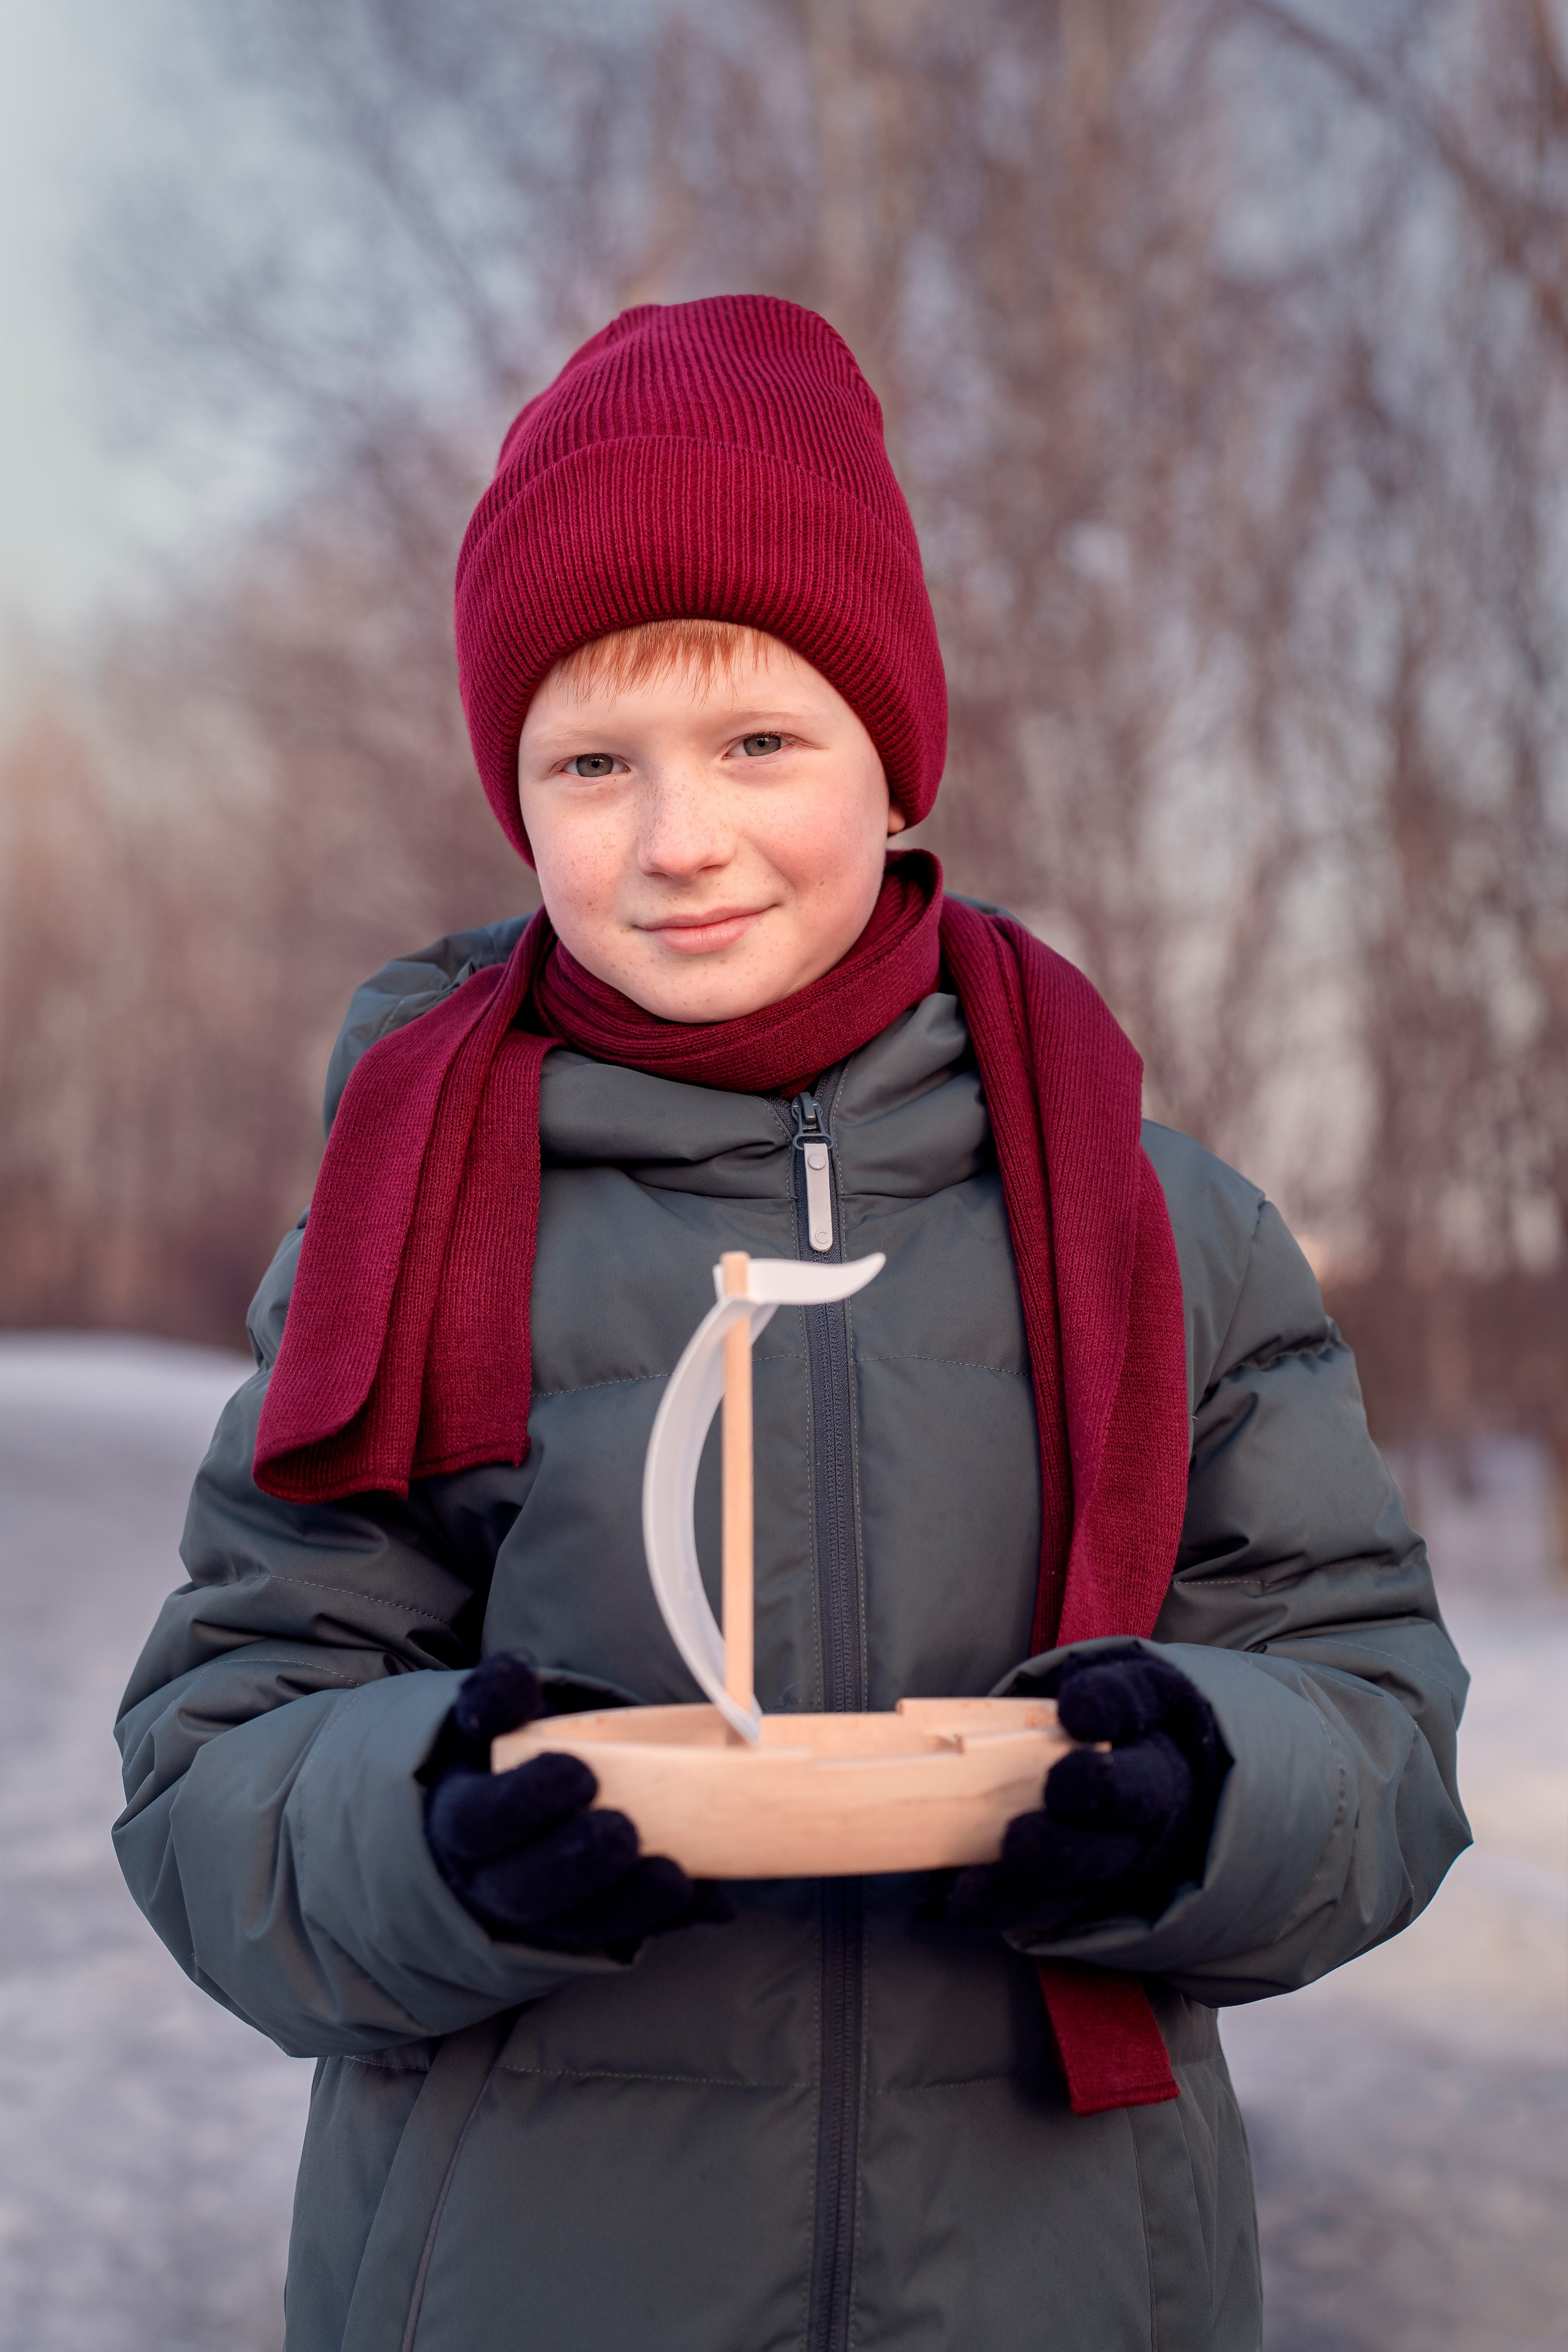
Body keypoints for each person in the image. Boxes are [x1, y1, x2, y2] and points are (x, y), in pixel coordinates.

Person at [114, 295, 1469, 2352]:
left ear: (894, 760)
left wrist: (1206, 1788)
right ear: (519, 796)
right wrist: (431, 1833)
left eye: (762, 740)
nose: (681, 840)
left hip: (1058, 2282)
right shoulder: (409, 1221)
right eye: (594, 762)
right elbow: (218, 1767)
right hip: (526, 2287)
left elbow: (1372, 1717)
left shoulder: (1158, 1223)